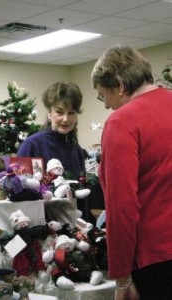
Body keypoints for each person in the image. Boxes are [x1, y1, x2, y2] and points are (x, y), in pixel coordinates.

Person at [91, 44, 172, 300]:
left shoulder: (123, 121)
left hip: (156, 257)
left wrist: (122, 277)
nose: (105, 106)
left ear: (120, 85)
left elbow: (122, 205)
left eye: (103, 95)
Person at [17, 81, 96, 224]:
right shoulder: (31, 145)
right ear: (49, 113)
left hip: (75, 226)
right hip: (42, 227)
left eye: (71, 113)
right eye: (59, 112)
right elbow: (19, 192)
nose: (66, 119)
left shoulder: (75, 148)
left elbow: (80, 192)